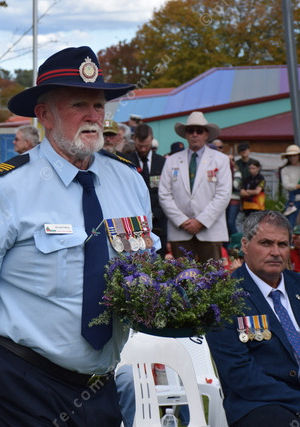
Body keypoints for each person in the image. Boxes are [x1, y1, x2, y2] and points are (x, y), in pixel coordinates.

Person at [0, 46, 155, 426]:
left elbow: (146, 270)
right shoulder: (6, 188)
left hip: (100, 384)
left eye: (98, 105)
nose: (93, 116)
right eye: (78, 105)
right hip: (24, 380)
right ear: (44, 115)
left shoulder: (129, 181)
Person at [206, 211, 300, 427]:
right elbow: (239, 373)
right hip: (260, 403)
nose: (275, 252)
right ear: (245, 245)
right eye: (266, 243)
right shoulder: (224, 297)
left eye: (282, 244)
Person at [158, 111, 231, 261]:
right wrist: (182, 221)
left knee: (212, 274)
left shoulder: (221, 160)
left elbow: (223, 195)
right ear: (186, 134)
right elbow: (164, 194)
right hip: (180, 231)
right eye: (191, 130)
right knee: (182, 274)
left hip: (210, 230)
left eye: (199, 131)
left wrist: (201, 221)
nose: (195, 134)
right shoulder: (172, 160)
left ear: (206, 134)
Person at [123, 123, 167, 255]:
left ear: (152, 140)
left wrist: (155, 213)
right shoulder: (126, 162)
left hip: (159, 220)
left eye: (146, 146)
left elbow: (167, 191)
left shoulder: (162, 162)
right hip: (135, 221)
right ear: (134, 139)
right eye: (139, 146)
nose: (142, 149)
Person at [280, 144, 300, 226]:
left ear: (298, 156)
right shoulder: (285, 170)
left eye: (294, 155)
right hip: (293, 201)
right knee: (290, 225)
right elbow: (286, 185)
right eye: (290, 156)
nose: (292, 158)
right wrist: (297, 186)